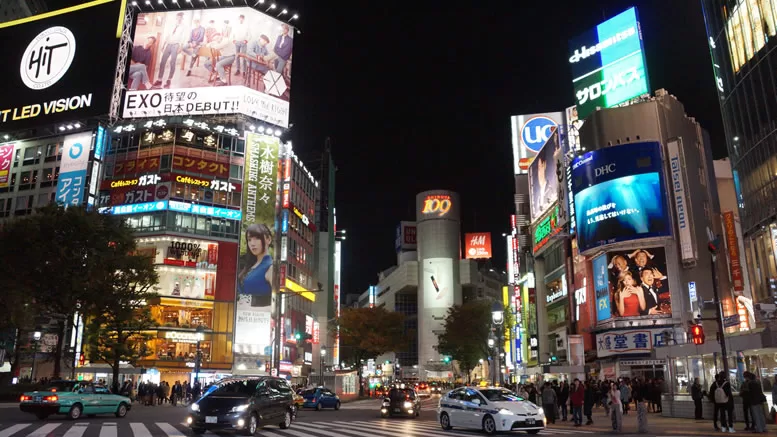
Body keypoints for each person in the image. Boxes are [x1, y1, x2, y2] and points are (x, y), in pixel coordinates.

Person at [237, 223, 273, 307]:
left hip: (259, 316)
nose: (252, 243)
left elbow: (276, 300)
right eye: (249, 240)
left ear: (268, 239)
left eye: (257, 238)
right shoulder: (249, 266)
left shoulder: (271, 267)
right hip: (241, 315)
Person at [153, 12, 188, 89]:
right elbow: (168, 35)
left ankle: (169, 80)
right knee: (162, 62)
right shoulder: (172, 25)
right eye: (178, 17)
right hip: (168, 45)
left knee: (172, 62)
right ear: (176, 17)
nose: (179, 19)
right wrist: (163, 45)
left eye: (180, 17)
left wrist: (180, 47)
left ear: (182, 18)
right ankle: (159, 79)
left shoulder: (184, 27)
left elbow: (184, 37)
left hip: (176, 45)